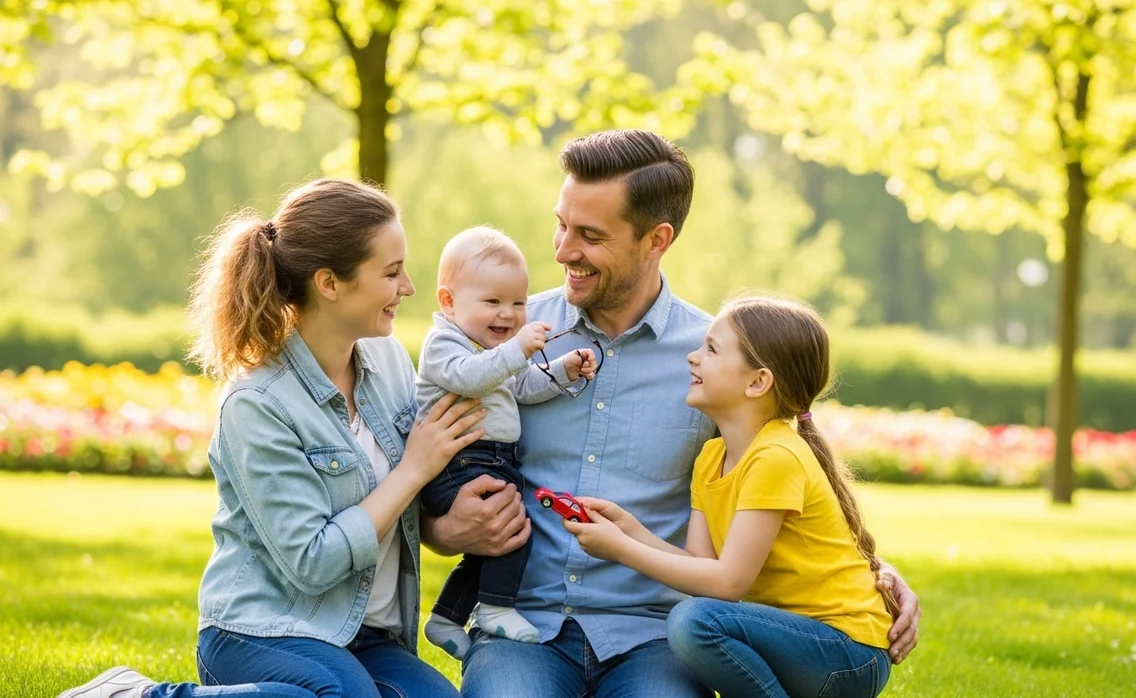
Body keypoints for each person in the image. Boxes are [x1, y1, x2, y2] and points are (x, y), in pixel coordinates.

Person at [420, 130, 921, 698]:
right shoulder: (501, 338)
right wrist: (442, 528)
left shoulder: (717, 360)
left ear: (656, 239)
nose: (561, 250)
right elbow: (429, 466)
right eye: (561, 224)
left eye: (589, 235)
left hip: (655, 637)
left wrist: (876, 572)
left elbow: (800, 471)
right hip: (523, 627)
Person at [59, 179, 480, 698]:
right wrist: (415, 467)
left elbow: (399, 511)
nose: (408, 286)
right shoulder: (258, 403)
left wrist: (451, 526)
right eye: (391, 272)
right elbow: (313, 561)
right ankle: (135, 695)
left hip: (363, 633)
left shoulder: (389, 362)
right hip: (261, 628)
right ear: (329, 283)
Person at [567, 296, 898, 698]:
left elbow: (728, 585)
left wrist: (621, 549)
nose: (692, 358)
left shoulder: (776, 456)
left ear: (757, 381)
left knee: (692, 624)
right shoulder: (711, 456)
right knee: (693, 618)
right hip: (792, 641)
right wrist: (631, 531)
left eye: (710, 349)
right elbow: (701, 569)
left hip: (846, 651)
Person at [415, 226, 598, 659]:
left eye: (518, 303)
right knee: (514, 530)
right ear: (448, 301)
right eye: (493, 302)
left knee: (489, 545)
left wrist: (564, 369)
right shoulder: (445, 343)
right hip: (458, 462)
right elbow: (470, 378)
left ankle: (445, 617)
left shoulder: (494, 349)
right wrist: (517, 348)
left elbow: (524, 387)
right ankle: (496, 608)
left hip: (491, 461)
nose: (508, 314)